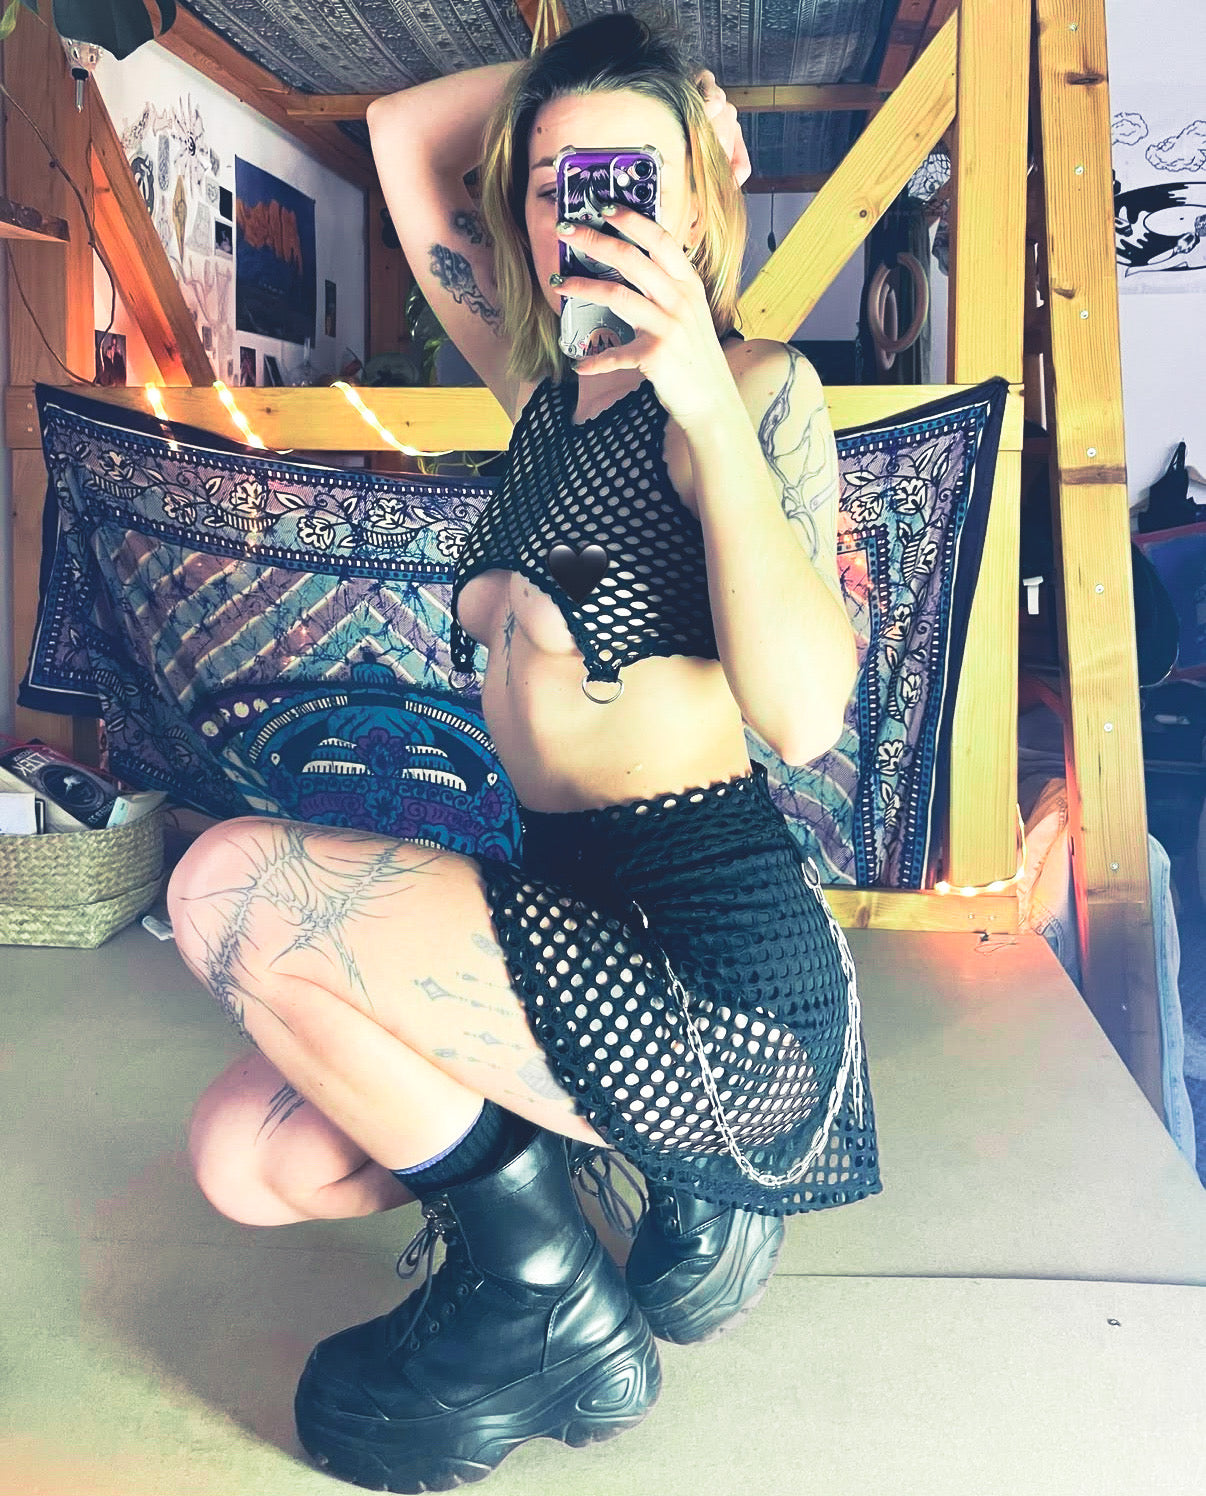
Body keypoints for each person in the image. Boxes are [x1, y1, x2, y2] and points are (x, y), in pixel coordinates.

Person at [168, 12, 880, 1493]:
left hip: (708, 971)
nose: (587, 213)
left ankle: (547, 1298)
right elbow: (400, 136)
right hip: (560, 910)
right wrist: (638, 92)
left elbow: (807, 715)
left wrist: (704, 393)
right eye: (560, 185)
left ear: (698, 196)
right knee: (252, 1159)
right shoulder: (542, 393)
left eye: (629, 178)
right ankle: (584, 1196)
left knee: (230, 887)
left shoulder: (752, 392)